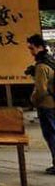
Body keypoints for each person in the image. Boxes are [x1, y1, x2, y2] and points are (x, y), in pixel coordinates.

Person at [26, 33, 55, 173]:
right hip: (52, 103)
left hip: (47, 105)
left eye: (32, 48)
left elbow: (41, 90)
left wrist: (33, 100)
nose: (31, 52)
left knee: (51, 135)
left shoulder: (42, 66)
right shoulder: (49, 61)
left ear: (40, 47)